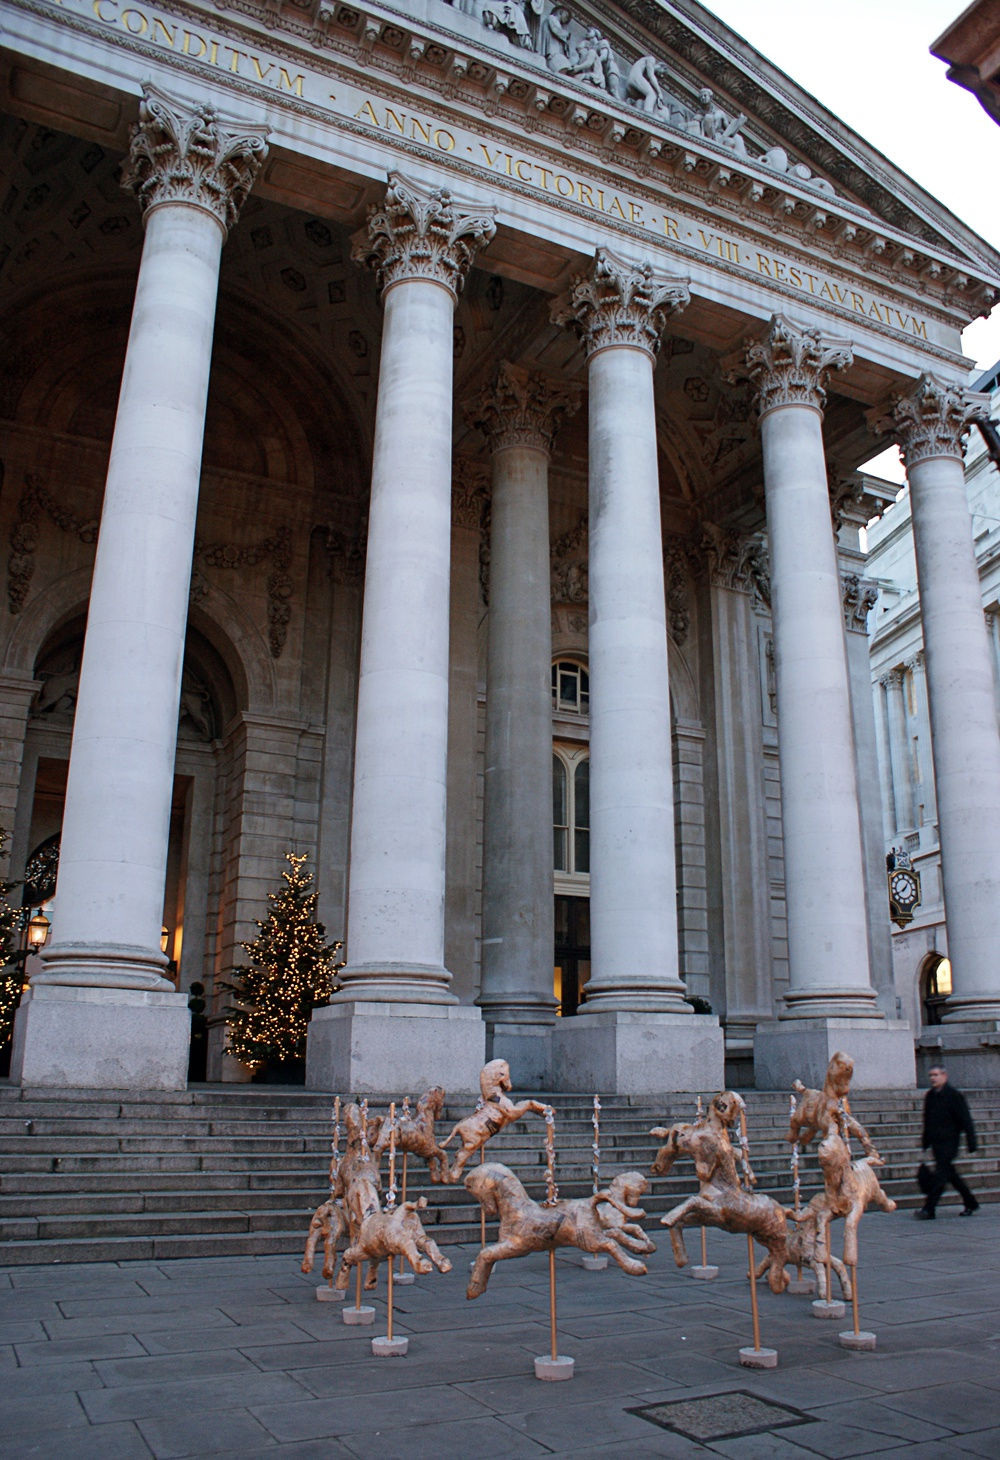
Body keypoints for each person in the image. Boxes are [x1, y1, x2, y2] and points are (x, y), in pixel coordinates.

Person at [916, 1064, 978, 1219]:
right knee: (951, 1174)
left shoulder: (954, 1095)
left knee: (940, 1175)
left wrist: (972, 1141)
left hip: (950, 1142)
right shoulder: (930, 1095)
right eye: (931, 1075)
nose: (933, 1078)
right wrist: (925, 1142)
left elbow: (965, 1119)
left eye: (936, 1075)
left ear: (944, 1076)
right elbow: (927, 1120)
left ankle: (929, 1208)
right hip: (937, 1142)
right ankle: (970, 1202)